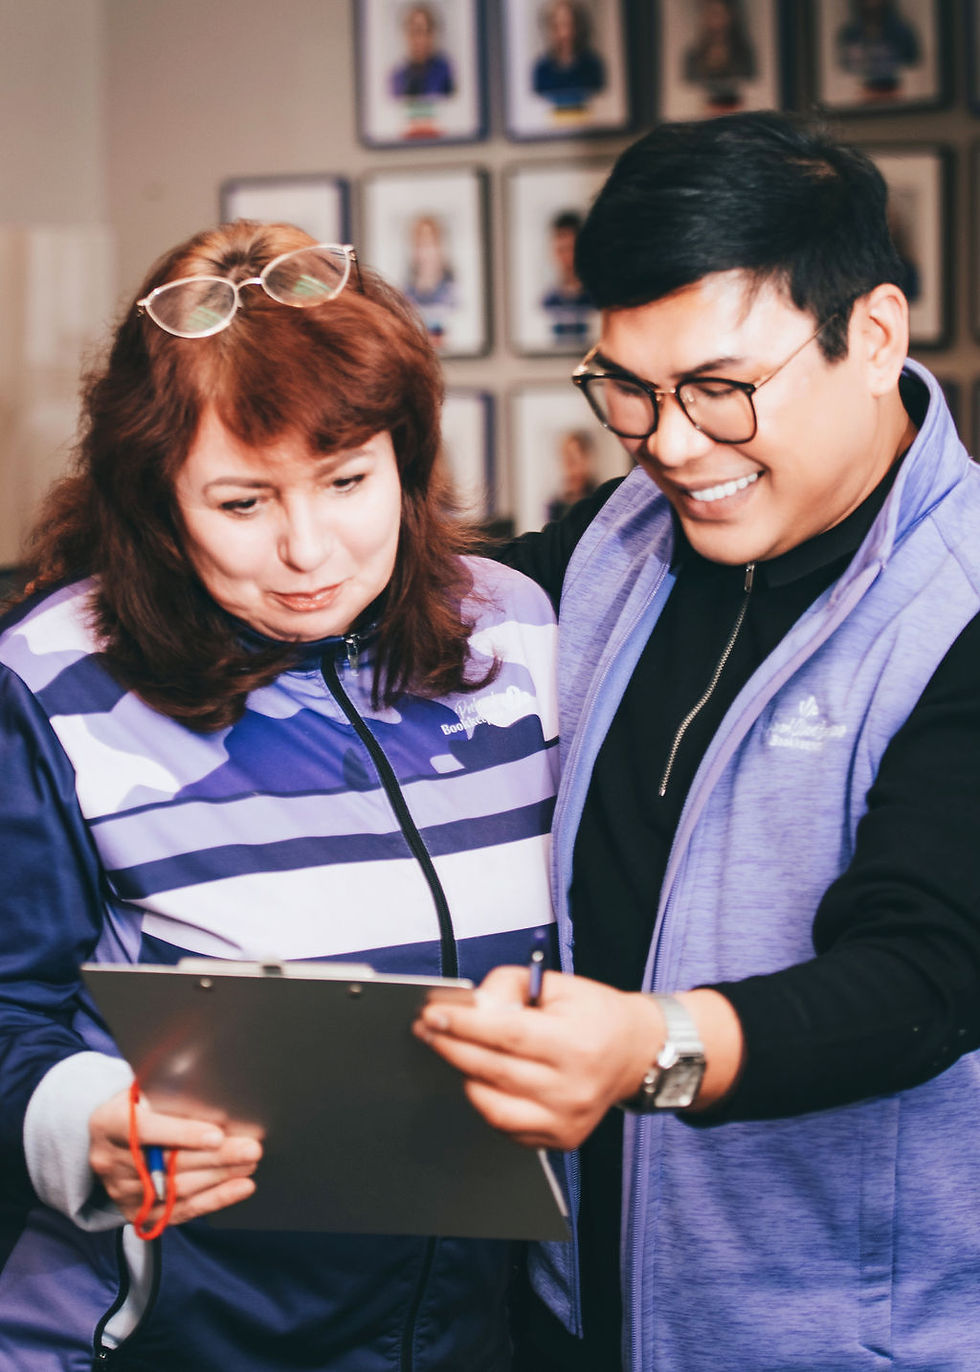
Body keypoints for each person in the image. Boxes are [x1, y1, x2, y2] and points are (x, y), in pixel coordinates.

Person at [415, 110, 980, 1370]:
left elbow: (924, 975)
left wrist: (647, 1048)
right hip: (574, 1312)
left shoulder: (965, 600)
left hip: (838, 1341)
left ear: (872, 335)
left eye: (721, 390)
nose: (670, 443)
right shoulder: (617, 540)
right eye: (627, 387)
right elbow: (418, 616)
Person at [0, 220, 559, 1370]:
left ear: (405, 456)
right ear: (157, 499)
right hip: (170, 1338)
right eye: (242, 503)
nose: (307, 550)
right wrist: (80, 1121)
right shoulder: (50, 684)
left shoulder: (523, 636)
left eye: (347, 479)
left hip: (475, 1339)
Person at [682, 0, 757, 111]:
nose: (716, 21)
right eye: (711, 13)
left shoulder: (744, 54)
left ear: (731, 16)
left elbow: (751, 83)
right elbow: (688, 87)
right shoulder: (692, 56)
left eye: (720, 14)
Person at [836, 0, 921, 98]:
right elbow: (845, 65)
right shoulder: (850, 33)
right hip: (861, 91)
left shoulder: (901, 31)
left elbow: (912, 58)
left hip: (895, 91)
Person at [532, 0, 606, 113]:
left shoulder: (593, 65)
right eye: (557, 26)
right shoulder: (542, 69)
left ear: (579, 26)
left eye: (569, 25)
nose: (564, 33)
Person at [540, 210, 594, 348]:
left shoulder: (597, 300)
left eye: (570, 249)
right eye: (560, 249)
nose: (565, 258)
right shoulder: (548, 301)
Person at [404, 213, 456, 347]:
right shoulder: (406, 294)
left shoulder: (452, 291)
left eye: (430, 244)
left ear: (440, 247)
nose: (425, 252)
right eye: (420, 245)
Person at [390, 3, 454, 100]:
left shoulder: (445, 72)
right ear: (408, 35)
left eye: (427, 31)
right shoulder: (398, 77)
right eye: (417, 31)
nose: (422, 39)